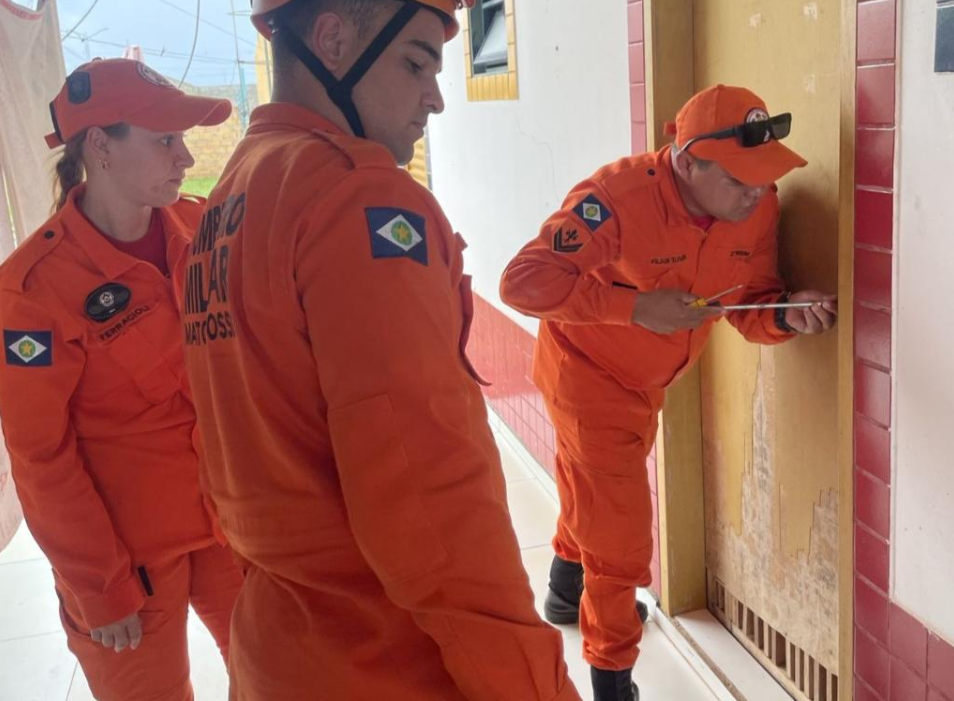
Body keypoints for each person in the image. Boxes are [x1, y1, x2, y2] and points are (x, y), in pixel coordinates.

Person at [180, 1, 580, 700]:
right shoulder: (356, 200)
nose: (436, 98)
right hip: (383, 658)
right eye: (416, 63)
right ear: (332, 37)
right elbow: (431, 505)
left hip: (278, 644)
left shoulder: (232, 194)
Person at [499, 84, 838, 701]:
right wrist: (635, 308)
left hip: (648, 384)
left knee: (594, 496)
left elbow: (752, 301)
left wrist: (789, 313)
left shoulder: (759, 208)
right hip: (586, 375)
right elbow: (523, 282)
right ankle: (612, 679)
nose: (756, 191)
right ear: (686, 160)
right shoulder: (616, 199)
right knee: (621, 539)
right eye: (737, 178)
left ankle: (564, 589)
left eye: (764, 175)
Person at [0, 58, 244, 701]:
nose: (186, 157)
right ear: (100, 147)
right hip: (127, 558)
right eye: (165, 140)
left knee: (279, 674)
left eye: (182, 138)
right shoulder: (34, 289)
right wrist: (98, 586)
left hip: (229, 523)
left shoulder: (202, 231)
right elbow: (41, 455)